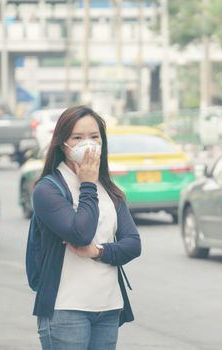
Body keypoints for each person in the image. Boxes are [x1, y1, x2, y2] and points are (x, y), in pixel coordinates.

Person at [30, 106, 141, 350]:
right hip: (66, 311)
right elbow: (81, 233)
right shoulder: (48, 190)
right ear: (63, 144)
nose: (88, 144)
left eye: (94, 137)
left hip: (108, 307)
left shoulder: (110, 190)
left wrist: (98, 252)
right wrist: (87, 184)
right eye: (77, 138)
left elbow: (133, 244)